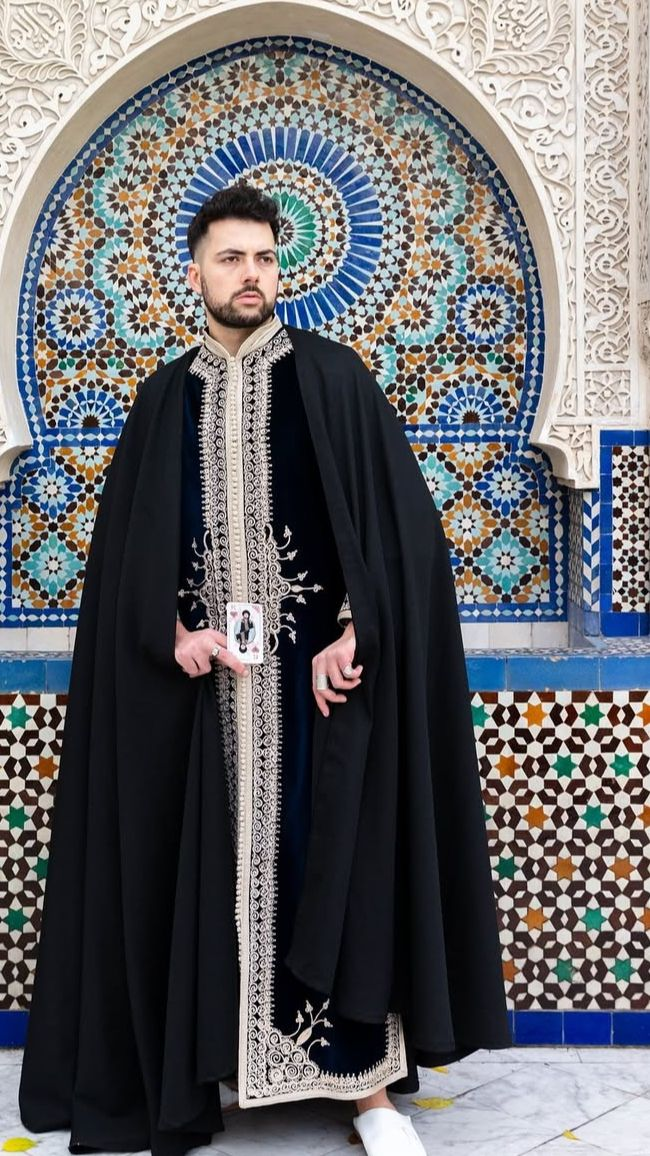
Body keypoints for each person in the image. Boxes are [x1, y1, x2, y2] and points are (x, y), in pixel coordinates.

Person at [19, 181, 511, 1156]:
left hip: (320, 696)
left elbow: (404, 538)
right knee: (202, 876)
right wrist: (170, 631)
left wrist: (355, 629)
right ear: (196, 272)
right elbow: (123, 561)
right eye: (232, 259)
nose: (251, 275)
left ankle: (368, 1094)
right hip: (204, 699)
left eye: (265, 259)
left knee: (338, 872)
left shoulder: (333, 381)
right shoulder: (163, 400)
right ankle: (214, 1072)